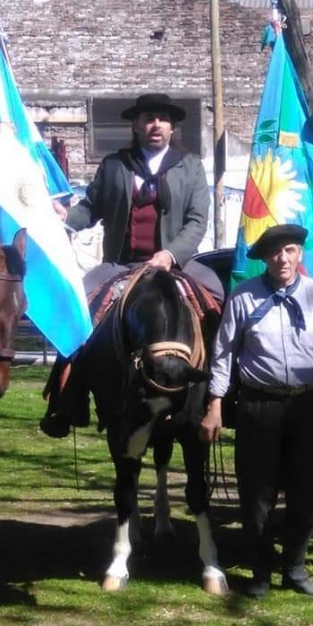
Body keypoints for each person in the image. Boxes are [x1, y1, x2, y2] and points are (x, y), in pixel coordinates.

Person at [41, 93, 222, 438]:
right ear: (136, 126)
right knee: (77, 306)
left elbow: (197, 221)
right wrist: (66, 215)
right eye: (148, 119)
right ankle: (66, 398)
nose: (155, 125)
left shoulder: (191, 166)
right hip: (121, 265)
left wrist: (170, 255)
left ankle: (220, 395)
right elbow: (90, 209)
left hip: (176, 264)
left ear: (172, 127)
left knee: (219, 296)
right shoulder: (114, 165)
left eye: (162, 119)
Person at [199, 224, 313, 599]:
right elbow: (222, 355)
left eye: (289, 251)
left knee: (307, 490)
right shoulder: (243, 298)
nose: (282, 259)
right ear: (264, 259)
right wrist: (215, 404)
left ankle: (296, 567)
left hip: (308, 405)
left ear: (299, 254)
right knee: (257, 494)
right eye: (274, 253)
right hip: (259, 406)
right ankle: (261, 572)